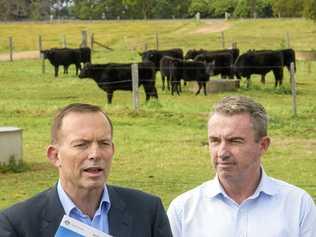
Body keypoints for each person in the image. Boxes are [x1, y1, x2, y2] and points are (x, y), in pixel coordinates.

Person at [0, 103, 172, 237]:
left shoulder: (147, 211)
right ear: (55, 155)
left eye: (104, 143)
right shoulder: (18, 223)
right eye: (81, 145)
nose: (95, 154)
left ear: (113, 150)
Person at [167, 95, 316, 237]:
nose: (222, 152)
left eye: (235, 141)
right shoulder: (183, 210)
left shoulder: (298, 206)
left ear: (263, 145)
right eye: (215, 141)